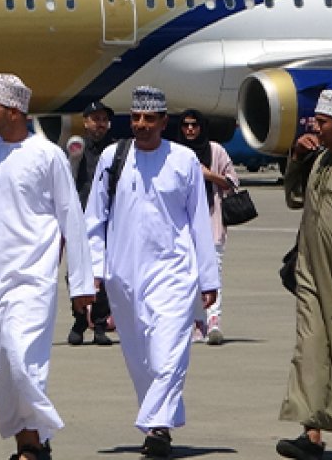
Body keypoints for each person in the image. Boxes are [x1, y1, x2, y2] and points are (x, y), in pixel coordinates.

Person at [0, 74, 94, 460]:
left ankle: (42, 432)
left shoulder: (48, 155)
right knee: (4, 372)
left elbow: (72, 219)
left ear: (14, 112)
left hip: (33, 281)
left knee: (20, 357)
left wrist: (82, 284)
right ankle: (29, 446)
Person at [85, 86, 219, 460]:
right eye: (136, 118)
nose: (141, 125)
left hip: (174, 271)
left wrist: (208, 279)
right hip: (123, 275)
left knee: (168, 352)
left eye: (150, 119)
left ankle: (157, 425)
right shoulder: (114, 157)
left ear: (163, 122)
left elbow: (198, 222)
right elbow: (94, 220)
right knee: (140, 357)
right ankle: (157, 427)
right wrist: (93, 272)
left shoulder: (184, 160)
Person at [275, 89, 332, 460]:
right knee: (308, 349)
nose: (316, 128)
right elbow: (293, 197)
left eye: (322, 123)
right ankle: (310, 433)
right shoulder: (319, 160)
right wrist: (297, 157)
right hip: (312, 274)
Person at [175, 109, 237, 345]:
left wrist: (210, 175)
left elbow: (232, 182)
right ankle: (196, 322)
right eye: (185, 125)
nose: (190, 129)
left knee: (213, 274)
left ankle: (214, 322)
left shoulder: (215, 151)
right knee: (188, 276)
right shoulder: (175, 152)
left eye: (194, 125)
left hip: (212, 223)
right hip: (183, 226)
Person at [67, 101, 117, 346]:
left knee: (105, 274)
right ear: (85, 122)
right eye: (95, 119)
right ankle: (78, 319)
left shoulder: (116, 150)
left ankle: (99, 323)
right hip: (80, 217)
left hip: (109, 218)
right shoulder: (78, 149)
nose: (100, 124)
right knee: (77, 272)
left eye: (103, 119)